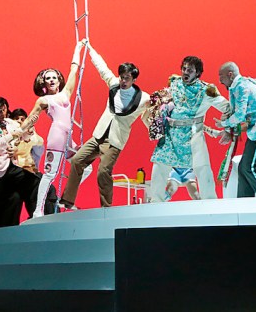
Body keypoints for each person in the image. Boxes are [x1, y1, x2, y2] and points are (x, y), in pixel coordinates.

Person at [59, 39, 151, 210]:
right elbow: (102, 68)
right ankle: (68, 200)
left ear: (134, 79)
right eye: (122, 77)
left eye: (127, 78)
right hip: (100, 134)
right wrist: (90, 49)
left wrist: (153, 129)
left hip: (115, 140)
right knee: (77, 160)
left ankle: (106, 208)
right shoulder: (114, 85)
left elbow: (148, 117)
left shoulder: (144, 98)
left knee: (103, 171)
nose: (123, 81)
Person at [145, 55, 230, 203]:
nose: (185, 72)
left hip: (193, 134)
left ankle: (210, 201)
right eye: (184, 69)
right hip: (171, 133)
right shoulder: (174, 83)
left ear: (198, 73)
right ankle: (155, 201)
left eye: (189, 70)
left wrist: (228, 125)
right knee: (160, 164)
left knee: (202, 168)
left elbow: (227, 107)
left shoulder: (206, 90)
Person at [18, 41, 84, 217]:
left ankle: (67, 197)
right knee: (49, 174)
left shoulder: (66, 93)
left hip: (68, 137)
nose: (52, 80)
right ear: (44, 83)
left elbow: (74, 70)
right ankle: (38, 210)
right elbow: (30, 119)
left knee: (85, 167)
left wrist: (78, 48)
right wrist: (16, 134)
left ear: (59, 80)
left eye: (54, 77)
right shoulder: (44, 100)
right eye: (48, 78)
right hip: (57, 137)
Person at [216, 62, 256, 198]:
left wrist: (224, 123)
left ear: (230, 74)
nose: (219, 80)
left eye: (221, 76)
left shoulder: (241, 86)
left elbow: (240, 115)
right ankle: (244, 203)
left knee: (250, 167)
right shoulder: (238, 85)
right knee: (243, 168)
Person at [0, 97, 45, 228]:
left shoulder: (8, 122)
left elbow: (23, 136)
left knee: (33, 183)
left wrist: (29, 129)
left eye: (4, 110)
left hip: (11, 167)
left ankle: (37, 216)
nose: (3, 113)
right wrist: (11, 136)